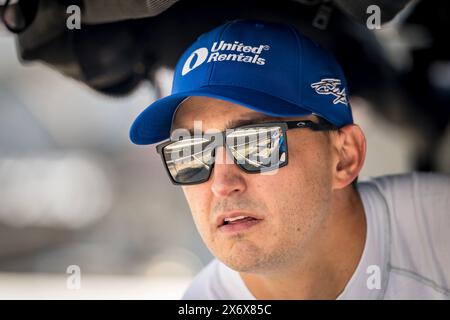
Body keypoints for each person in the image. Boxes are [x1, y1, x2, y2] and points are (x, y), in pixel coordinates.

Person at [129, 20, 450, 299]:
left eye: (256, 143)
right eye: (193, 152)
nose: (222, 185)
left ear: (344, 157)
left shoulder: (439, 230)